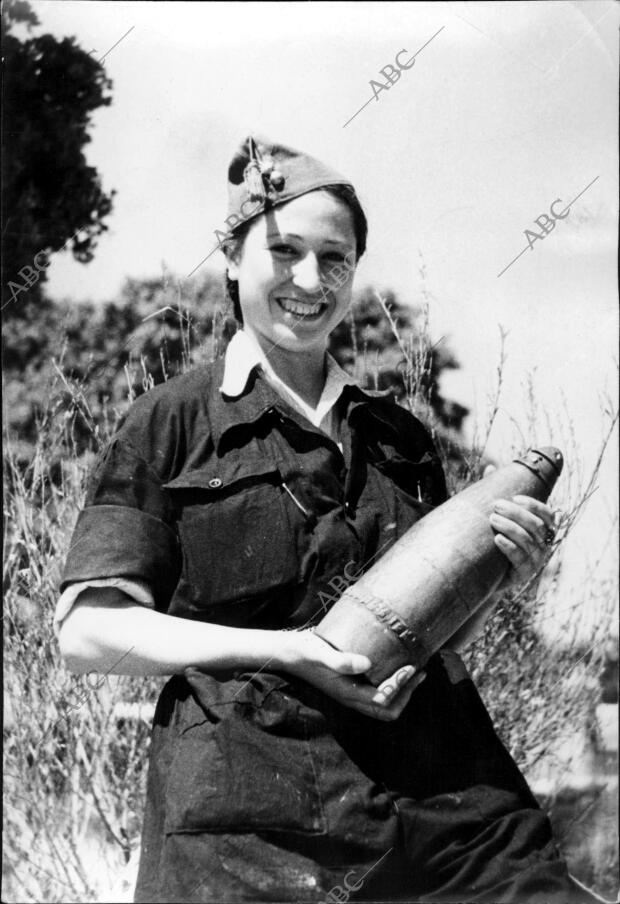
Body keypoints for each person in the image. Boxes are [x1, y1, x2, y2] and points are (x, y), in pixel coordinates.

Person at [56, 135, 598, 904]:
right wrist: (287, 652)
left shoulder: (399, 437)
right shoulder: (169, 422)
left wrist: (499, 578)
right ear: (234, 261)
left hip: (447, 809)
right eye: (284, 251)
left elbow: (428, 637)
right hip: (253, 827)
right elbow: (87, 634)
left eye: (335, 259)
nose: (309, 280)